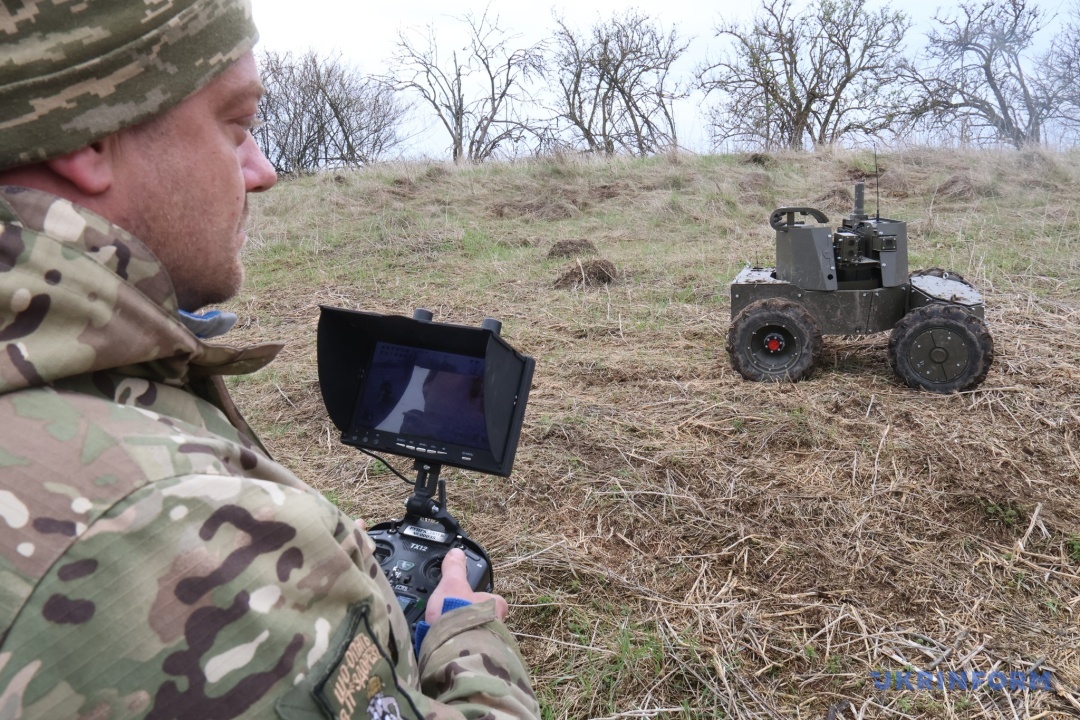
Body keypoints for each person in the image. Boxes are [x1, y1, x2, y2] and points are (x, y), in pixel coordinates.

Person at [0, 1, 540, 718]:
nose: (263, 170)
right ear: (90, 132)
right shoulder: (172, 526)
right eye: (237, 125)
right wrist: (466, 634)